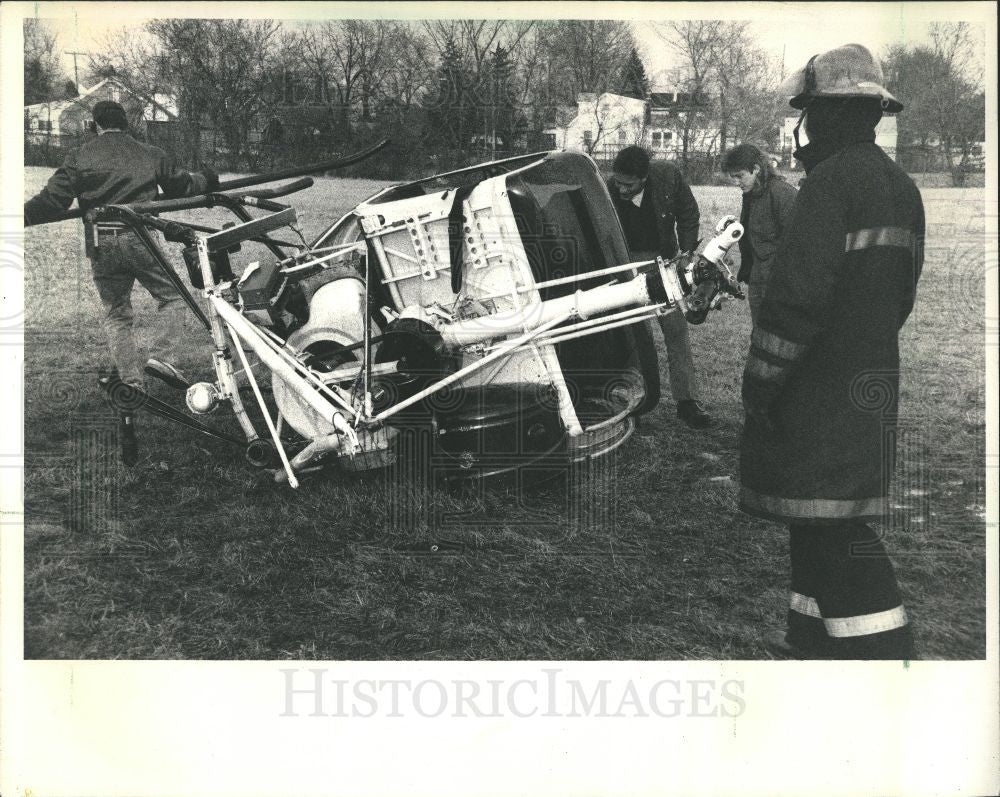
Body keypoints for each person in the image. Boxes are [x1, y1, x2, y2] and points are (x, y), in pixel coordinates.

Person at [739, 44, 925, 660]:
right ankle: (813, 645)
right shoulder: (901, 188)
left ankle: (883, 657)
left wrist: (761, 385)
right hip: (868, 387)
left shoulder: (827, 187)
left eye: (809, 113)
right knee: (820, 522)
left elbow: (794, 303)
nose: (804, 127)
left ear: (823, 116)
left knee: (835, 533)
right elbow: (900, 297)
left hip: (813, 395)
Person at [24, 100, 217, 393]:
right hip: (140, 235)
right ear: (126, 124)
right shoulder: (150, 153)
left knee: (116, 313)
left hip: (101, 239)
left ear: (95, 125)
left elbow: (53, 200)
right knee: (173, 297)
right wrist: (208, 178)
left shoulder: (79, 155)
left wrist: (20, 215)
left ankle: (131, 383)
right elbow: (183, 187)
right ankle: (164, 359)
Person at [607, 146, 712, 429]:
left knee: (676, 332)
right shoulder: (608, 190)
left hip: (665, 262)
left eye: (628, 184)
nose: (621, 188)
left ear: (644, 177)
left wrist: (687, 252)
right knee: (633, 336)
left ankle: (687, 401)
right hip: (627, 265)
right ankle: (633, 406)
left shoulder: (668, 178)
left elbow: (689, 214)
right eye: (618, 182)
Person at [722, 143, 798, 323]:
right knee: (760, 336)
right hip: (758, 278)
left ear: (756, 169)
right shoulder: (751, 194)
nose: (736, 182)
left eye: (740, 176)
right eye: (733, 177)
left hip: (779, 285)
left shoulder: (783, 194)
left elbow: (797, 243)